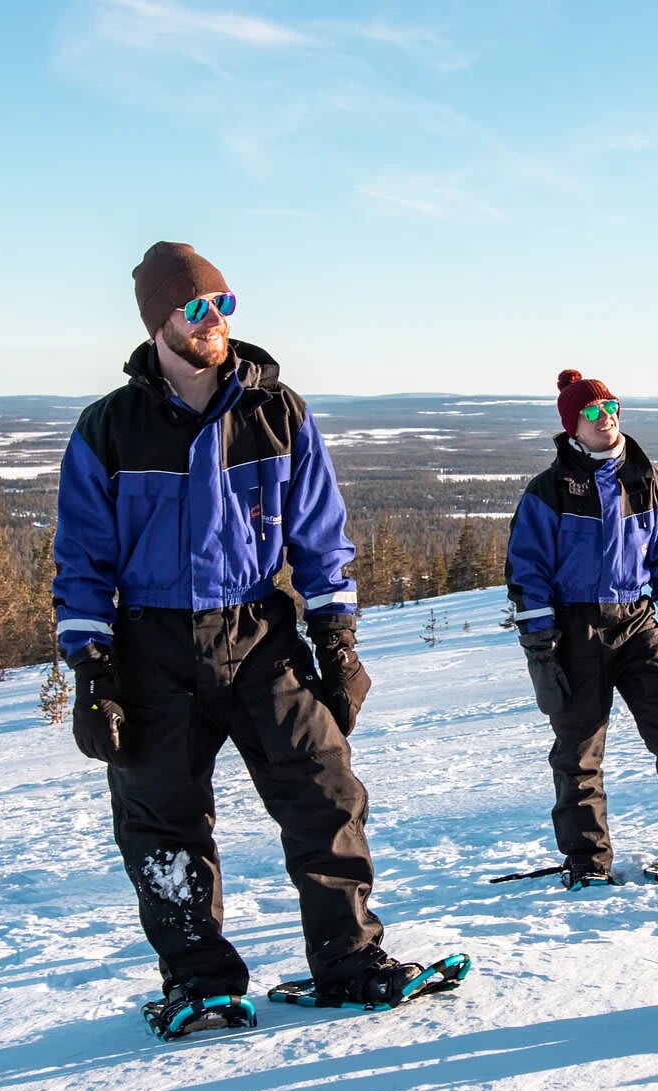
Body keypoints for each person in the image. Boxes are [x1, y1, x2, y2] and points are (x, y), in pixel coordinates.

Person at [53, 241, 419, 1035]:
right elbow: (83, 563)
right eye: (195, 308)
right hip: (151, 641)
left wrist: (339, 642)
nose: (213, 320)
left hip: (258, 631)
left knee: (323, 789)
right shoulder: (110, 429)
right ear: (160, 322)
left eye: (223, 304)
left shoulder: (278, 411)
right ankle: (198, 978)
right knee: (163, 819)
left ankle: (349, 958)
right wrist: (91, 672)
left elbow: (322, 537)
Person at [506, 369, 658, 891]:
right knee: (579, 751)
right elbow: (528, 571)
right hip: (576, 628)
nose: (605, 417)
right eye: (592, 412)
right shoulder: (549, 491)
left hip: (638, 623)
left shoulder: (645, 479)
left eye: (611, 406)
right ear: (573, 427)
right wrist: (540, 647)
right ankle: (588, 863)